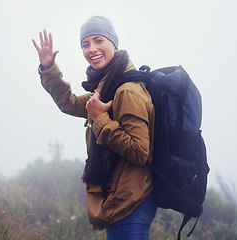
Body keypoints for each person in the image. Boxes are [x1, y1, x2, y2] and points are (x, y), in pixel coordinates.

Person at [32, 16, 157, 240]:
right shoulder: (108, 87)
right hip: (123, 200)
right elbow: (69, 103)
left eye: (98, 40)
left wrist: (100, 119)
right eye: (85, 44)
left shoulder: (126, 91)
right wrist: (49, 68)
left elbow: (140, 152)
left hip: (130, 204)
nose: (92, 49)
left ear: (114, 43)